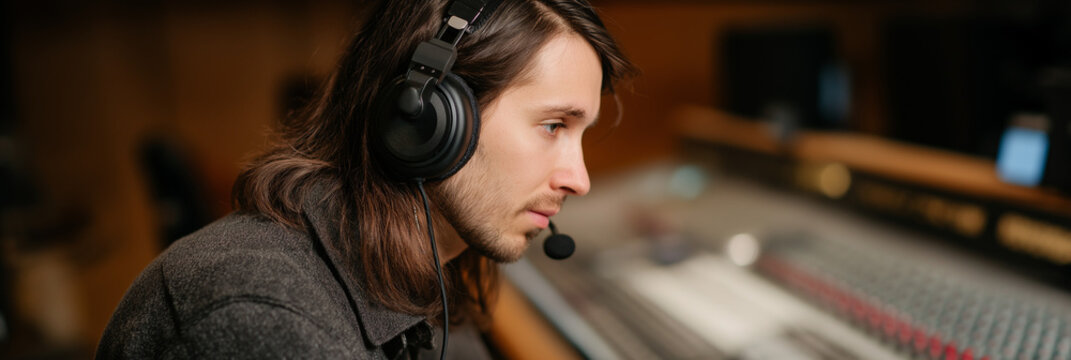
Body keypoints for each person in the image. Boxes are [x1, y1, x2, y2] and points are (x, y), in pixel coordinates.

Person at [96, 0, 634, 358]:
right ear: (425, 114)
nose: (579, 179)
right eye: (552, 126)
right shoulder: (259, 315)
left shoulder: (431, 274)